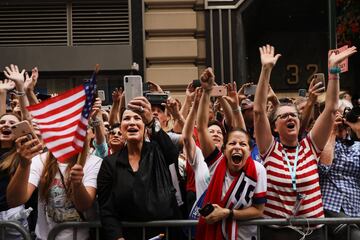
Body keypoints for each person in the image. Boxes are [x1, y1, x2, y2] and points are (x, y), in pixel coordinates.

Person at [253, 44, 357, 240]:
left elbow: (331, 108)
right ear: (274, 126)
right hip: (278, 232)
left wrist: (334, 70)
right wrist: (266, 70)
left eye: (293, 114)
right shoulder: (269, 148)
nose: (290, 118)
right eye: (283, 116)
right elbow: (258, 112)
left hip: (314, 232)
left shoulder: (310, 146)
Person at [186, 70, 266, 240]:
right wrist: (207, 92)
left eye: (243, 144)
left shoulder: (258, 170)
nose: (237, 147)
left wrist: (227, 213)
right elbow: (201, 127)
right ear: (224, 149)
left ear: (249, 150)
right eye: (233, 143)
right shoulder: (217, 162)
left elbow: (258, 210)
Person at [97, 96, 181, 240]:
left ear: (144, 127)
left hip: (164, 234)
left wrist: (151, 121)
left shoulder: (158, 151)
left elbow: (171, 154)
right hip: (128, 236)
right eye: (127, 119)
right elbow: (106, 208)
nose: (132, 122)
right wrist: (117, 237)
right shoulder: (110, 164)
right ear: (121, 128)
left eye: (137, 118)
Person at [6, 128, 102, 240]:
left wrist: (77, 184)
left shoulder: (94, 162)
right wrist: (24, 165)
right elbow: (14, 200)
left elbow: (84, 205)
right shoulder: (40, 160)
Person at [319, 109, 360, 240]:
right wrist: (331, 131)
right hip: (330, 206)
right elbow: (323, 168)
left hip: (355, 206)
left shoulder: (357, 146)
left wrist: (354, 126)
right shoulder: (322, 143)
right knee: (354, 236)